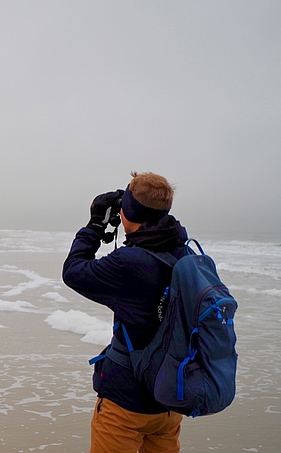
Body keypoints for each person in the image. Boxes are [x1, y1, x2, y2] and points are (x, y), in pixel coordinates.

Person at [62, 171, 188, 453]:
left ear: (127, 211)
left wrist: (95, 225)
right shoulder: (184, 254)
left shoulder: (129, 263)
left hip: (126, 404)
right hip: (168, 402)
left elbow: (73, 271)